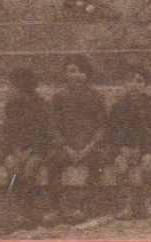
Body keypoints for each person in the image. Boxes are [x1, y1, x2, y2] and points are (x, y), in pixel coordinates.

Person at [46, 58, 109, 224]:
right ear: (65, 74)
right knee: (53, 161)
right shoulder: (58, 97)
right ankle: (55, 208)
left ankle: (84, 207)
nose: (76, 75)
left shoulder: (97, 96)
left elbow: (102, 126)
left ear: (87, 74)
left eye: (80, 71)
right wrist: (66, 147)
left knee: (97, 163)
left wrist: (89, 146)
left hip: (90, 146)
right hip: (66, 146)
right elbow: (54, 126)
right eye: (71, 71)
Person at [0, 68, 61, 227]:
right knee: (12, 169)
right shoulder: (11, 106)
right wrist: (14, 151)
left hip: (37, 150)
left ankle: (30, 208)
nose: (13, 89)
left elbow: (45, 133)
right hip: (15, 150)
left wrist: (31, 151)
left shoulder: (42, 105)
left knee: (30, 169)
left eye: (15, 86)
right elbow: (7, 132)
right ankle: (20, 210)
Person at [105, 67, 151, 220]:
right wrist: (123, 149)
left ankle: (149, 204)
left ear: (145, 84)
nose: (134, 85)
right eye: (129, 81)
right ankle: (126, 205)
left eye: (139, 81)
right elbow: (112, 134)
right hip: (123, 149)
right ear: (124, 84)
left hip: (147, 148)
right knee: (120, 163)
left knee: (148, 162)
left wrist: (141, 149)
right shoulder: (117, 107)